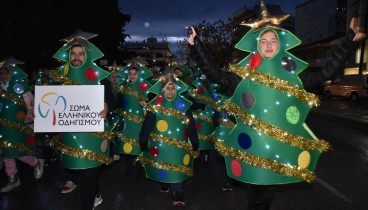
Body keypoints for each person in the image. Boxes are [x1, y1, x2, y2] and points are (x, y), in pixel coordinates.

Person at [187, 1, 366, 209]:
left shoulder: (291, 76)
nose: (269, 44)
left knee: (269, 194)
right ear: (257, 45)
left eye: (273, 40)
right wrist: (196, 47)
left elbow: (326, 73)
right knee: (256, 195)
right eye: (264, 41)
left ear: (280, 44)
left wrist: (350, 42)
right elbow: (216, 75)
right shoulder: (245, 77)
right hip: (253, 147)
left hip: (278, 148)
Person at [50, 30, 114, 210]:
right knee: (83, 171)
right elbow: (51, 102)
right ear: (68, 55)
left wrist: (107, 106)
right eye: (73, 53)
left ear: (86, 56)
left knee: (88, 172)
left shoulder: (99, 77)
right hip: (72, 134)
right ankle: (95, 194)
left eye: (80, 54)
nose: (77, 57)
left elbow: (112, 100)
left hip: (93, 134)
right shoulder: (60, 78)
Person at [138, 71, 199, 206]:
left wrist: (194, 141)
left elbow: (191, 125)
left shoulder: (183, 106)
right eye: (168, 88)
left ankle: (178, 193)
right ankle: (165, 182)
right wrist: (143, 140)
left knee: (176, 165)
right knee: (163, 163)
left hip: (178, 145)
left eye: (173, 88)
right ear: (163, 90)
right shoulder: (155, 106)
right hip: (160, 145)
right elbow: (147, 124)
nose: (170, 91)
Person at [0, 58, 44, 193]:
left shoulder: (20, 88)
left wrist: (30, 114)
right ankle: (12, 177)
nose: (3, 76)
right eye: (1, 74)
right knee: (6, 152)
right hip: (3, 127)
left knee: (18, 151)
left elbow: (31, 104)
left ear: (12, 73)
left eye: (6, 73)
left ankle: (35, 162)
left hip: (19, 126)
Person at [114, 64, 152, 181]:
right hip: (125, 121)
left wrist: (146, 102)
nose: (132, 75)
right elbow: (118, 102)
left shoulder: (145, 86)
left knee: (138, 144)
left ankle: (138, 168)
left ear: (139, 74)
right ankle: (128, 169)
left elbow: (153, 100)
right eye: (130, 74)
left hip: (139, 120)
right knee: (125, 146)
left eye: (135, 74)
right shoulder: (123, 85)